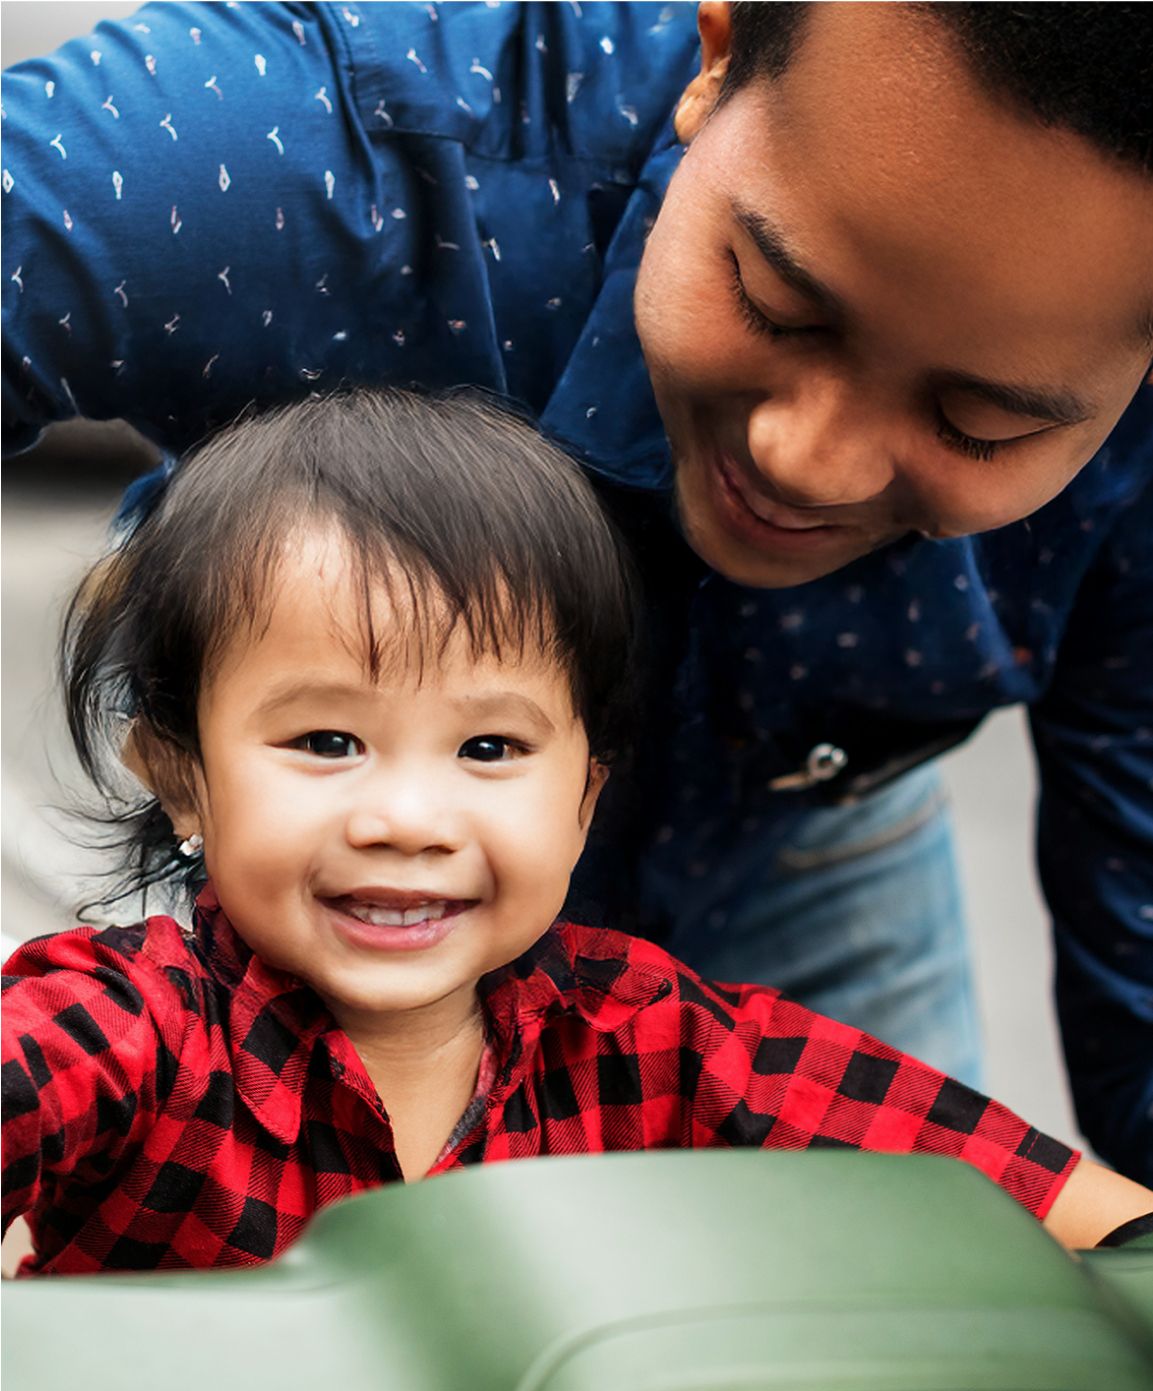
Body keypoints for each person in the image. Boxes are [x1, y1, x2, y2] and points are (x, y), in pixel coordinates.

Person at [2, 3, 1151, 1177]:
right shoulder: (304, 146)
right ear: (718, 56)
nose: (813, 461)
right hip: (265, 876)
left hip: (786, 820)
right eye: (777, 302)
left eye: (979, 420)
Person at [2, 389, 1149, 1276]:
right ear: (184, 781)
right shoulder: (129, 1026)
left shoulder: (652, 1039)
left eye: (490, 750)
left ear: (585, 798)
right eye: (325, 740)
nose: (407, 819)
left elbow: (1022, 1190)